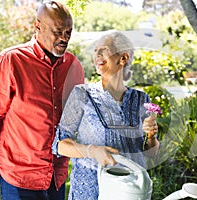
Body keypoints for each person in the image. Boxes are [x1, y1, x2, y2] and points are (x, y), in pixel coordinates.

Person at [0, 1, 84, 200]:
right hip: (19, 177)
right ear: (37, 25)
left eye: (68, 32)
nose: (64, 39)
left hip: (56, 176)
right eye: (58, 32)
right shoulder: (11, 61)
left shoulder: (74, 67)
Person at [52, 31, 160, 200]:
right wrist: (91, 150)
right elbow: (59, 145)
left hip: (129, 191)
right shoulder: (82, 94)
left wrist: (151, 136)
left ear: (123, 58)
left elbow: (150, 153)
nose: (97, 55)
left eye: (103, 50)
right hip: (91, 190)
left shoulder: (141, 99)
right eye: (95, 51)